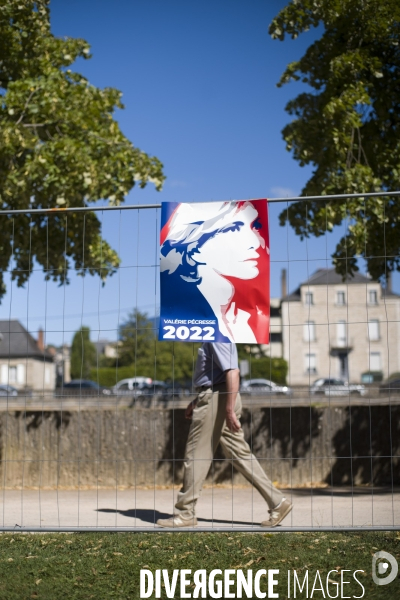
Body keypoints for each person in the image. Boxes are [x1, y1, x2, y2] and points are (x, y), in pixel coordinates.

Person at [157, 342, 292, 528]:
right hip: (218, 396)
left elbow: (232, 372)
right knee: (239, 454)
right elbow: (218, 374)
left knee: (196, 455)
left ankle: (185, 512)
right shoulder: (216, 333)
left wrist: (227, 409)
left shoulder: (218, 334)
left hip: (218, 398)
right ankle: (277, 502)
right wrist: (198, 400)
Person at [160, 200, 270, 343]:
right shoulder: (188, 312)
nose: (255, 243)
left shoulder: (242, 317)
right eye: (234, 229)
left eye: (255, 226)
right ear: (194, 249)